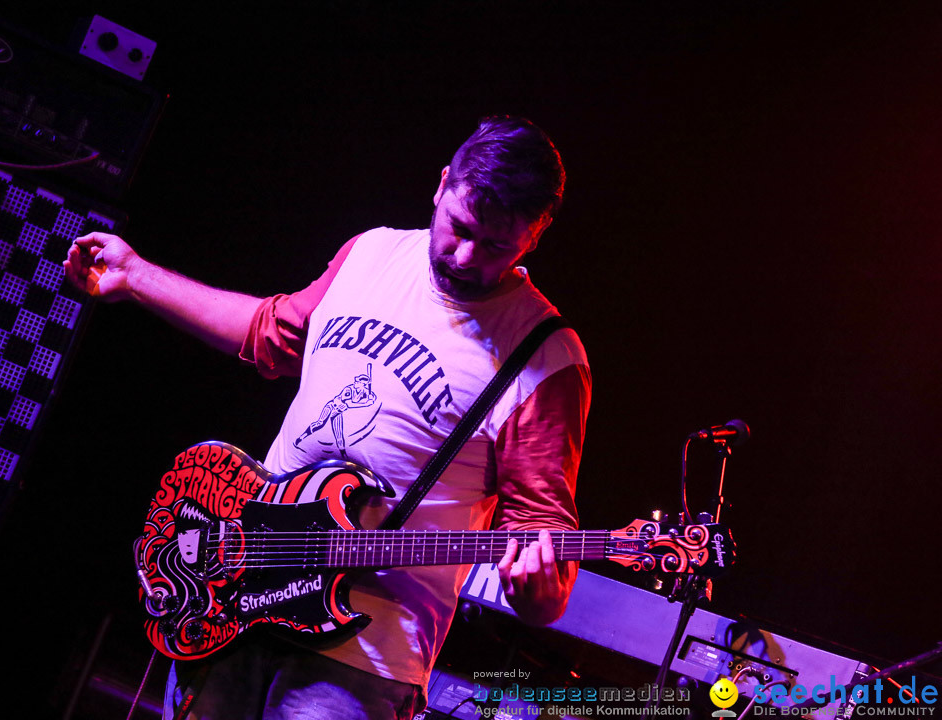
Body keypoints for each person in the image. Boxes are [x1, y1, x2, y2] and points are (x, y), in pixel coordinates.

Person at [64, 115, 592, 720]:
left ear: (537, 233)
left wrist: (541, 590)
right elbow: (271, 334)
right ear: (442, 185)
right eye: (459, 227)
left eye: (496, 245)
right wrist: (136, 277)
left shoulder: (546, 357)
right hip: (241, 592)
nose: (466, 255)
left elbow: (542, 537)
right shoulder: (371, 253)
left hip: (365, 655)